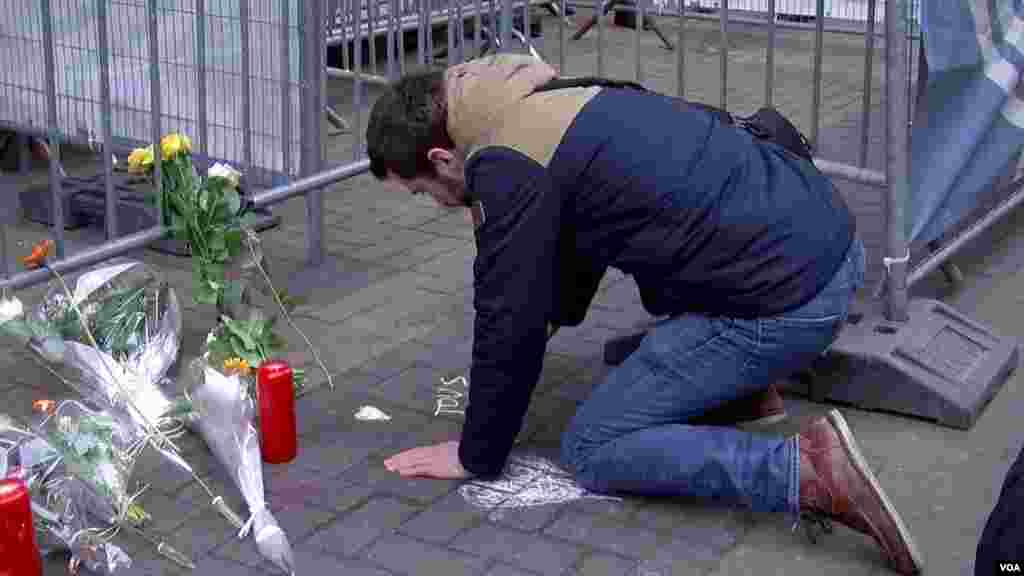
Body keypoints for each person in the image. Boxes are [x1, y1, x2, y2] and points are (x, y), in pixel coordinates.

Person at [369, 54, 922, 575]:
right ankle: (746, 391)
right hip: (829, 248)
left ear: (442, 159)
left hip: (789, 301)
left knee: (591, 447)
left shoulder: (505, 165)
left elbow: (506, 318)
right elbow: (573, 246)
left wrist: (477, 454)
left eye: (423, 191)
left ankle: (805, 472)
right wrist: (545, 310)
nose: (438, 205)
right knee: (666, 258)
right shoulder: (546, 98)